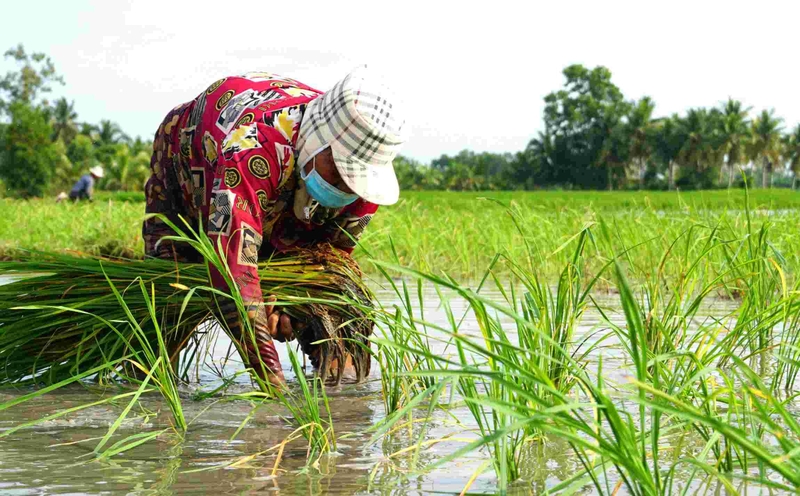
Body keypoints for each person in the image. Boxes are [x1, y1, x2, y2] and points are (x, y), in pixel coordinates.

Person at [142, 67, 407, 387]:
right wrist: (273, 388)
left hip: (280, 197)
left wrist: (286, 298)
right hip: (189, 162)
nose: (344, 188)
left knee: (332, 310)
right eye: (337, 171)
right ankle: (147, 382)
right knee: (169, 303)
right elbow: (230, 268)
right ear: (317, 140)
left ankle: (344, 399)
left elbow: (329, 267)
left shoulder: (361, 191)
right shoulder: (254, 146)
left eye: (354, 179)